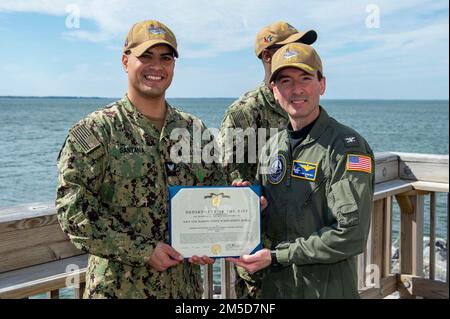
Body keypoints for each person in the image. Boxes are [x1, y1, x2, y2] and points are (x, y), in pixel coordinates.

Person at [56, 20, 225, 299]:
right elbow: (72, 212)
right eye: (145, 56)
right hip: (119, 291)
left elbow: (214, 192)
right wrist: (143, 251)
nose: (156, 66)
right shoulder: (97, 131)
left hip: (184, 292)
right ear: (125, 61)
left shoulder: (194, 130)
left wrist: (216, 236)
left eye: (165, 58)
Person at [227, 43, 375, 298]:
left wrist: (277, 256)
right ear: (274, 91)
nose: (296, 89)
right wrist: (251, 206)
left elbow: (351, 234)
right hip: (277, 289)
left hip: (325, 290)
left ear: (322, 84)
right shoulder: (272, 147)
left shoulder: (346, 148)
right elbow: (274, 216)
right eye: (285, 81)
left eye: (305, 78)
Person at [218, 21, 317, 299]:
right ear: (267, 56)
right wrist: (245, 193)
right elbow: (228, 178)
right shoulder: (244, 113)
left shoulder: (304, 103)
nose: (300, 52)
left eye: (302, 47)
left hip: (305, 245)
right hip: (263, 250)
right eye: (291, 47)